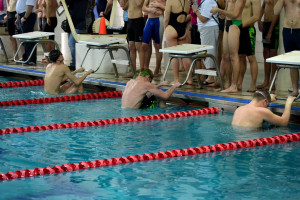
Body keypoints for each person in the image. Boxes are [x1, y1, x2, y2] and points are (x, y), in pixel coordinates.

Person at [210, 0, 246, 93]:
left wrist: (219, 10)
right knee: (225, 56)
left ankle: (234, 85)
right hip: (227, 23)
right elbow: (227, 9)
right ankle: (227, 84)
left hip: (235, 23)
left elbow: (235, 14)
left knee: (234, 56)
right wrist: (222, 14)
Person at [274, 0, 300, 97]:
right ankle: (295, 89)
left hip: (299, 30)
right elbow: (275, 11)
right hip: (287, 31)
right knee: (291, 62)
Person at [232, 90, 296, 128]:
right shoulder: (261, 111)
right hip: (251, 141)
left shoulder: (239, 109)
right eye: (267, 105)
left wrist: (269, 100)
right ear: (264, 101)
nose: (266, 107)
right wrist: (288, 103)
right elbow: (284, 122)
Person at [164, 0, 192, 85]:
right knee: (185, 56)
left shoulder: (170, 1)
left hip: (172, 29)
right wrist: (186, 31)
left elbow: (166, 18)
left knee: (174, 56)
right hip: (182, 30)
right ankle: (190, 79)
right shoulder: (186, 2)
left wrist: (165, 30)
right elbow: (187, 17)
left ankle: (176, 80)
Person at [192, 0, 219, 85]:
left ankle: (211, 77)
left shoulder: (209, 1)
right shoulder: (205, 1)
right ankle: (209, 75)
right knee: (206, 52)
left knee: (209, 52)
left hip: (209, 28)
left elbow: (203, 18)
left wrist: (196, 10)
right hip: (206, 29)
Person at [237, 0, 261, 92]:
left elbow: (256, 16)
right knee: (240, 57)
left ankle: (253, 84)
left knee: (251, 58)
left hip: (248, 30)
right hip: (238, 28)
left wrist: (242, 25)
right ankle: (239, 83)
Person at [65, 0, 95, 70]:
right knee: (71, 44)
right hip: (73, 21)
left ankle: (75, 64)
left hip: (80, 22)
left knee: (72, 43)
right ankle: (75, 63)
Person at [257, 0, 279, 90]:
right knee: (265, 52)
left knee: (273, 54)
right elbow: (263, 8)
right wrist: (259, 20)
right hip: (265, 24)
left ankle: (272, 82)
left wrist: (270, 31)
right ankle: (266, 81)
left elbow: (276, 13)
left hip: (273, 25)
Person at [142, 0, 166, 77]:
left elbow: (168, 8)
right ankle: (146, 68)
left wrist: (159, 5)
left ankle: (157, 69)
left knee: (157, 46)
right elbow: (143, 7)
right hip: (149, 20)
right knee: (144, 44)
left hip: (159, 20)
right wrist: (150, 10)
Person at [125, 0, 145, 78]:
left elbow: (139, 4)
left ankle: (142, 71)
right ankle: (133, 71)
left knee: (139, 47)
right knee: (131, 47)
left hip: (138, 20)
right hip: (129, 21)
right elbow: (124, 6)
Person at [16, 0, 38, 65]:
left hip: (28, 16)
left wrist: (25, 17)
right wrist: (18, 18)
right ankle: (25, 57)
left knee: (29, 39)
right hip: (22, 15)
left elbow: (30, 6)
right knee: (25, 39)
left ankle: (31, 59)